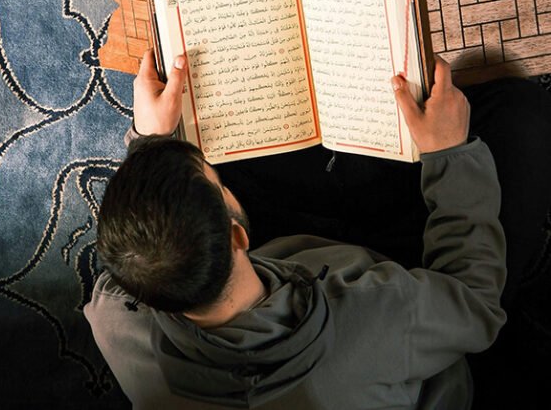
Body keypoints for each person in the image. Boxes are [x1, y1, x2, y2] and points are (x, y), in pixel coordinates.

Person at [85, 49, 550, 409]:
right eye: (218, 186)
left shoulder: (118, 318)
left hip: (277, 251)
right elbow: (475, 303)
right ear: (235, 236)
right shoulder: (381, 321)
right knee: (522, 111)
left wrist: (150, 145)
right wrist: (448, 154)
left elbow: (146, 246)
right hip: (401, 287)